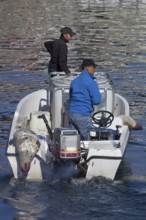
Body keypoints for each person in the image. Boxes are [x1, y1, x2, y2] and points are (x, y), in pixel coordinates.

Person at [68, 59, 101, 140]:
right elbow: (97, 101)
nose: (94, 69)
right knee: (89, 140)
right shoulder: (91, 82)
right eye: (93, 67)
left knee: (73, 140)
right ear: (87, 68)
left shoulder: (74, 81)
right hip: (83, 115)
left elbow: (71, 96)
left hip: (72, 114)